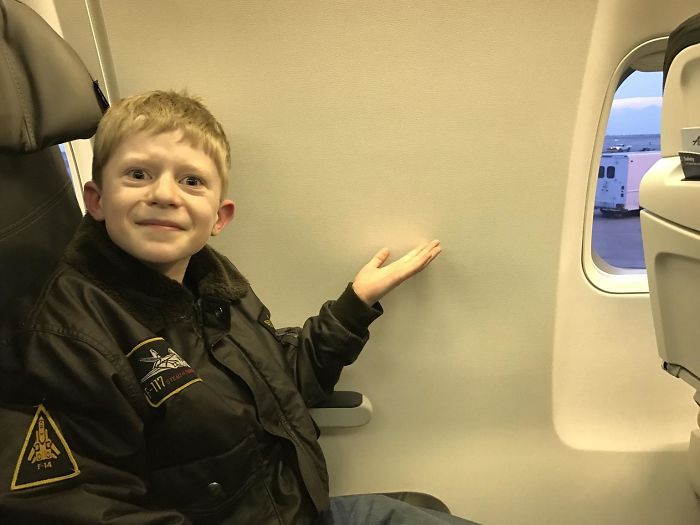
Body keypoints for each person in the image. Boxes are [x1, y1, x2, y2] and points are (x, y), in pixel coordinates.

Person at [0, 90, 475, 524]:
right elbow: (69, 507)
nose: (164, 194)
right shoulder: (66, 339)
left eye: (191, 181)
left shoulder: (213, 289)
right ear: (97, 200)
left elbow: (279, 381)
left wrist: (355, 304)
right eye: (138, 174)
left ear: (219, 217)